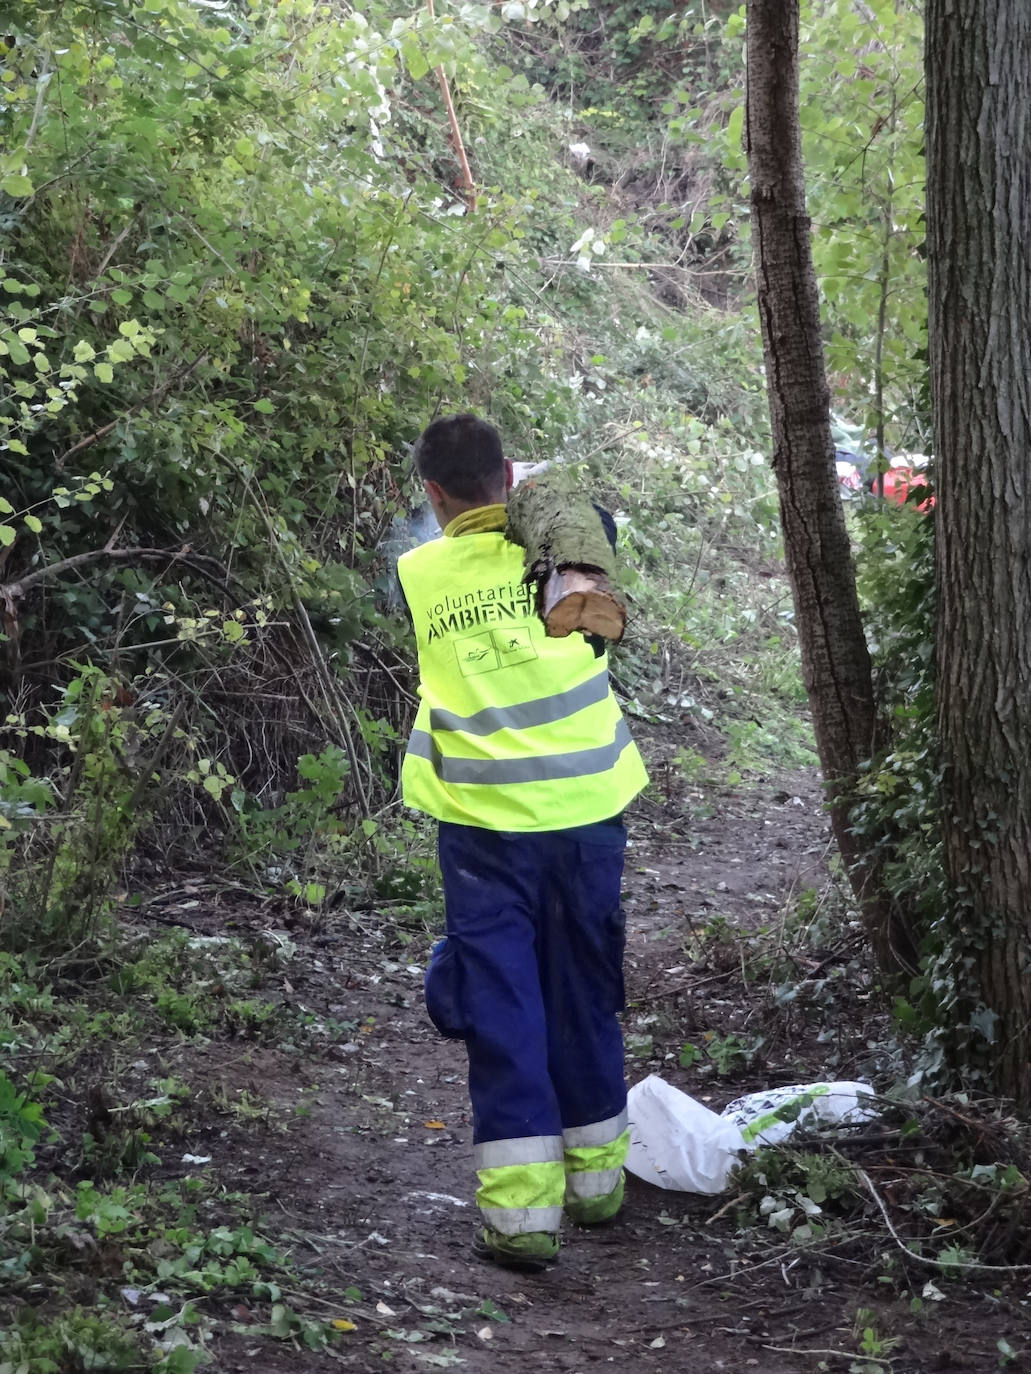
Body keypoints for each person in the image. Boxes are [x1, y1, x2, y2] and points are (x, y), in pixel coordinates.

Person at [397, 413, 648, 1271]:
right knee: (585, 986)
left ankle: (520, 1223)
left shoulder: (419, 572)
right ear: (511, 477)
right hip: (586, 812)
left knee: (502, 1000)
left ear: (432, 496)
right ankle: (597, 1184)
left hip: (483, 830)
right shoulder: (580, 558)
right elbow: (581, 513)